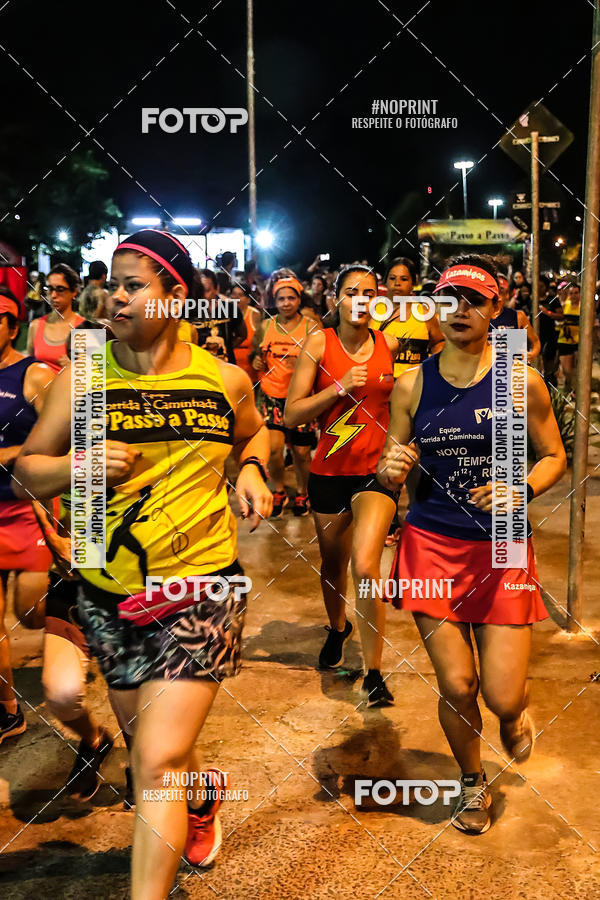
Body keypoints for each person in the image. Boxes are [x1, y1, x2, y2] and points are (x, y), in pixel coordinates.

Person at [14, 229, 273, 898]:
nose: (114, 298)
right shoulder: (87, 374)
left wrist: (249, 467)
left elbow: (255, 430)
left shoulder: (222, 377)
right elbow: (24, 470)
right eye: (110, 284)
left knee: (155, 763)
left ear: (175, 296)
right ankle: (202, 792)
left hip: (201, 587)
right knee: (150, 757)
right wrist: (78, 466)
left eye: (134, 285)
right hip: (110, 591)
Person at [377, 254, 566, 834]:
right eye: (449, 299)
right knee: (457, 683)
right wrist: (390, 468)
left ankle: (511, 718)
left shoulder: (518, 378)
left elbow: (556, 456)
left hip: (504, 545)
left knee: (504, 696)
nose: (460, 311)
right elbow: (391, 466)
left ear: (495, 308)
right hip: (432, 543)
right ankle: (470, 782)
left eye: (474, 300)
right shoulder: (412, 385)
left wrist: (522, 488)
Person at [285, 265, 401, 706]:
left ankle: (374, 673)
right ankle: (338, 628)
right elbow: (293, 414)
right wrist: (336, 389)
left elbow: (404, 406)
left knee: (367, 567)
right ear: (337, 299)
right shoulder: (319, 344)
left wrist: (403, 450)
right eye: (351, 291)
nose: (361, 299)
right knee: (333, 565)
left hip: (376, 473)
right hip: (329, 473)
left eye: (369, 292)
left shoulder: (389, 344)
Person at [0, 288, 56, 744]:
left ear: (13, 326)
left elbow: (67, 437)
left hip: (27, 507)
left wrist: (8, 454)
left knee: (31, 611)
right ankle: (7, 709)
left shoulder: (34, 374)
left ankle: (79, 623)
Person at [252, 270, 321, 517]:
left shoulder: (312, 327)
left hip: (301, 398)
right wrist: (256, 363)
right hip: (272, 396)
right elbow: (254, 357)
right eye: (281, 299)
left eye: (291, 298)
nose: (286, 303)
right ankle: (278, 490)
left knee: (301, 453)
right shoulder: (265, 326)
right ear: (275, 300)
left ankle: (303, 492)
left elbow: (322, 360)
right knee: (273, 450)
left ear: (299, 299)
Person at [26, 263, 84, 371]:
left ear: (74, 292)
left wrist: (76, 367)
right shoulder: (35, 325)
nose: (53, 295)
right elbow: (27, 368)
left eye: (60, 289)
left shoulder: (88, 329)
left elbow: (97, 380)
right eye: (50, 289)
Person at [195, 268, 246, 363]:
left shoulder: (230, 308)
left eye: (206, 290)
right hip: (201, 365)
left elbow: (242, 335)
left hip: (226, 365)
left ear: (216, 289)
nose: (203, 295)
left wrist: (228, 347)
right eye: (199, 291)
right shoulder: (192, 311)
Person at [489, 273, 541, 362]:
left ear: (507, 295)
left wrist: (532, 354)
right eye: (494, 292)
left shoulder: (518, 316)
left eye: (501, 292)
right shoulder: (481, 317)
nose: (498, 297)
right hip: (488, 369)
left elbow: (536, 342)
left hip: (515, 371)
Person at [232, 280, 261, 381]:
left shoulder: (254, 314)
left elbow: (261, 342)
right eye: (234, 294)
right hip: (229, 369)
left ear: (248, 299)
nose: (236, 298)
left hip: (249, 371)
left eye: (240, 295)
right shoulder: (225, 314)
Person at [538, 276, 563, 387]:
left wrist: (548, 313)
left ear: (546, 287)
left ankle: (550, 389)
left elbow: (561, 316)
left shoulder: (552, 299)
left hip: (549, 336)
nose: (539, 288)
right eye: (537, 285)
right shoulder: (530, 299)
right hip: (533, 336)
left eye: (541, 286)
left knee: (549, 366)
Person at [556, 283, 581, 394]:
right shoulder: (565, 305)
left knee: (577, 368)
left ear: (580, 294)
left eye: (576, 293)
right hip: (564, 341)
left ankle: (575, 391)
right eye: (571, 293)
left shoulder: (584, 307)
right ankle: (568, 386)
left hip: (579, 342)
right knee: (567, 370)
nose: (574, 295)